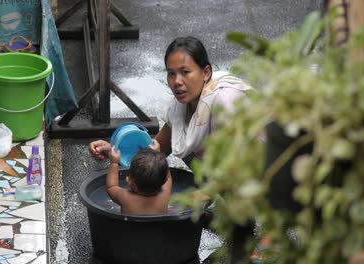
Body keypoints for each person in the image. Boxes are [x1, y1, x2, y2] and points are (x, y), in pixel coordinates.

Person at [89, 36, 251, 167]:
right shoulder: (182, 107)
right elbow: (156, 150)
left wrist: (202, 197)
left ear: (205, 72)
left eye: (185, 72)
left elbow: (245, 167)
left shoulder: (225, 103)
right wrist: (115, 152)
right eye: (171, 73)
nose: (177, 81)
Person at [107, 147, 172, 215]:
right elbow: (168, 177)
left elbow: (111, 187)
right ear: (164, 180)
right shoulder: (165, 195)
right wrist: (158, 155)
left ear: (132, 184)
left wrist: (114, 163)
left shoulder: (125, 197)